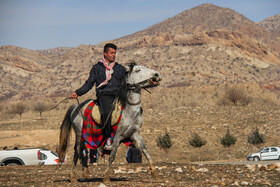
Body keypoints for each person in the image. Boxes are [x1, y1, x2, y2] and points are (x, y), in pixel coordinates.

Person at [70, 43, 126, 150]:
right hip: (104, 95)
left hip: (118, 95)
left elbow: (126, 82)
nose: (114, 55)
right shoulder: (97, 68)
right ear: (105, 54)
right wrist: (78, 92)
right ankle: (108, 138)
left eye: (115, 53)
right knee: (106, 112)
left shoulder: (119, 68)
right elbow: (89, 83)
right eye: (111, 53)